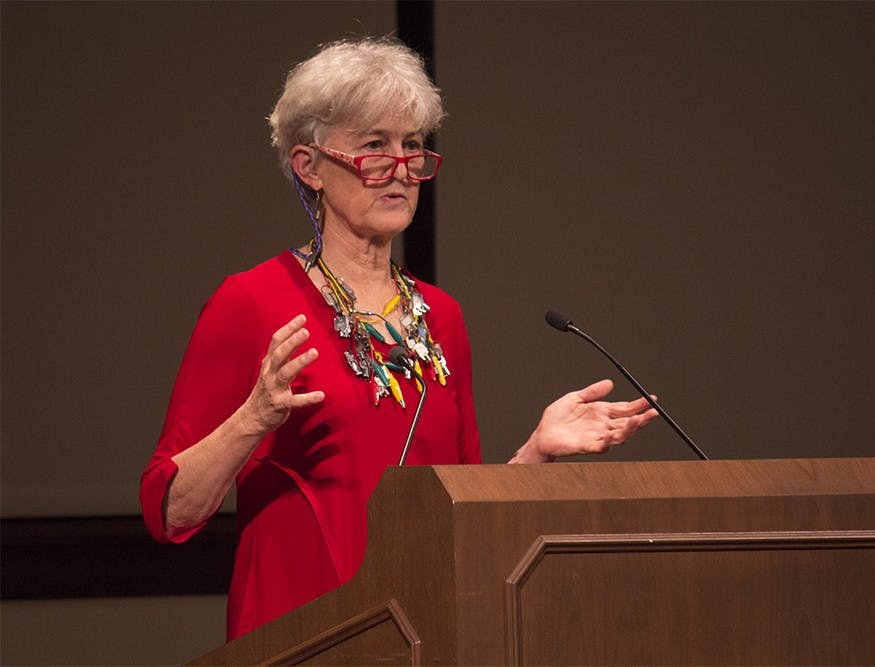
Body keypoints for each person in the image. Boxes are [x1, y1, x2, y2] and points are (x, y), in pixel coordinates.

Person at [140, 36, 657, 641]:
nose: (401, 170)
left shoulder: (442, 316)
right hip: (298, 638)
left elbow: (462, 505)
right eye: (374, 147)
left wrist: (536, 456)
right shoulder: (252, 302)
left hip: (422, 634)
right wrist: (252, 419)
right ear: (309, 167)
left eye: (412, 147)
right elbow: (170, 512)